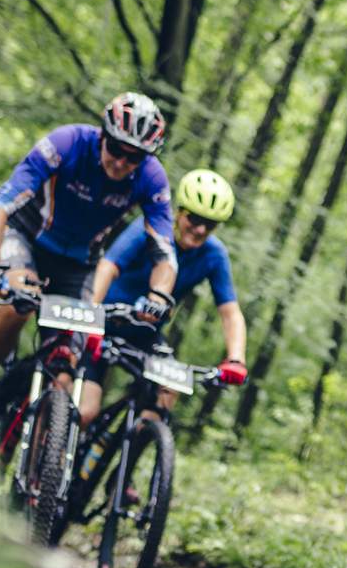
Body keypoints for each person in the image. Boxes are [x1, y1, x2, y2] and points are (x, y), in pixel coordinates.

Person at [0, 92, 178, 410]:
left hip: (79, 263)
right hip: (27, 238)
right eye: (116, 149)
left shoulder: (151, 177)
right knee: (17, 306)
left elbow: (164, 251)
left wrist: (158, 297)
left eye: (134, 157)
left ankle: (38, 427)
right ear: (103, 135)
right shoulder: (67, 143)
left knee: (66, 366)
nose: (121, 162)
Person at [80, 168, 249, 426]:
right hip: (103, 322)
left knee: (169, 391)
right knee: (86, 410)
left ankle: (135, 445)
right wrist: (89, 317)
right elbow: (107, 268)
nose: (200, 229)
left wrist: (236, 360)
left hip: (145, 334)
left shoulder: (214, 255)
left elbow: (230, 313)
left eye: (210, 225)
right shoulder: (150, 228)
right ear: (179, 212)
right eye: (194, 218)